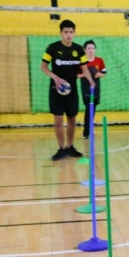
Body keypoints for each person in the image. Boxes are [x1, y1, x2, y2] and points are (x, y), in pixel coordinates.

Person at [41, 19, 94, 161]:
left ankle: (70, 147)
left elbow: (84, 68)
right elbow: (43, 67)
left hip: (72, 90)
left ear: (74, 33)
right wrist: (55, 78)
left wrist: (90, 80)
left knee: (72, 118)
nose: (68, 35)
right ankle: (61, 149)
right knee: (58, 119)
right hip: (56, 89)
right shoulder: (52, 48)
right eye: (66, 32)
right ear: (61, 33)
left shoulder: (78, 50)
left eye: (71, 32)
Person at [78, 40, 107, 139]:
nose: (91, 50)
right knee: (88, 108)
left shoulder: (99, 60)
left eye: (93, 48)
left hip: (96, 88)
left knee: (93, 109)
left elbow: (103, 73)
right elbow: (77, 75)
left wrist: (99, 74)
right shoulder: (81, 61)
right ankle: (86, 131)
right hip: (86, 88)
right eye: (89, 48)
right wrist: (86, 74)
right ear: (85, 50)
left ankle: (89, 128)